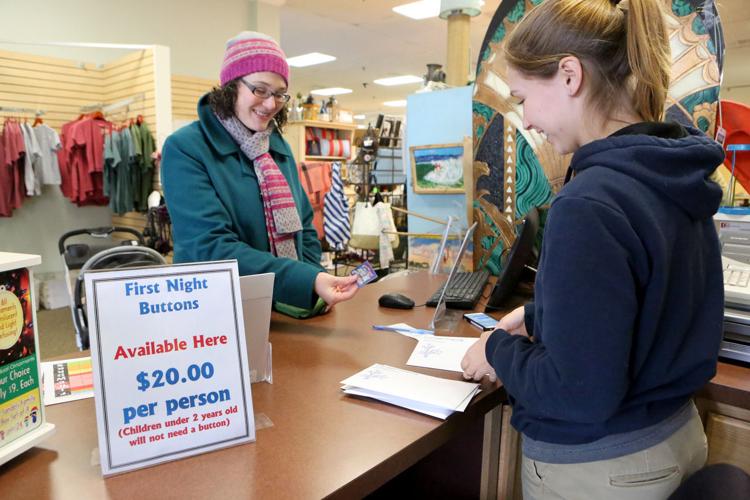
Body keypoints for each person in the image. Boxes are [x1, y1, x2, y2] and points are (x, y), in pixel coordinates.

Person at [461, 0, 725, 498]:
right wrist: (542, 317)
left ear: (568, 75)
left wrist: (497, 349)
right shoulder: (673, 172)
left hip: (603, 469)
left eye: (522, 97)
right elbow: (652, 297)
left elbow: (577, 393)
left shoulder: (589, 203)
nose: (527, 120)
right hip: (675, 439)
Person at [162, 32, 358, 314]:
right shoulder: (186, 148)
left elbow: (304, 226)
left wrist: (312, 285)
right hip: (215, 312)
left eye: (279, 94)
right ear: (231, 86)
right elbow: (209, 249)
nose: (270, 104)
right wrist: (307, 280)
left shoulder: (276, 147)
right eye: (260, 90)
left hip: (284, 308)